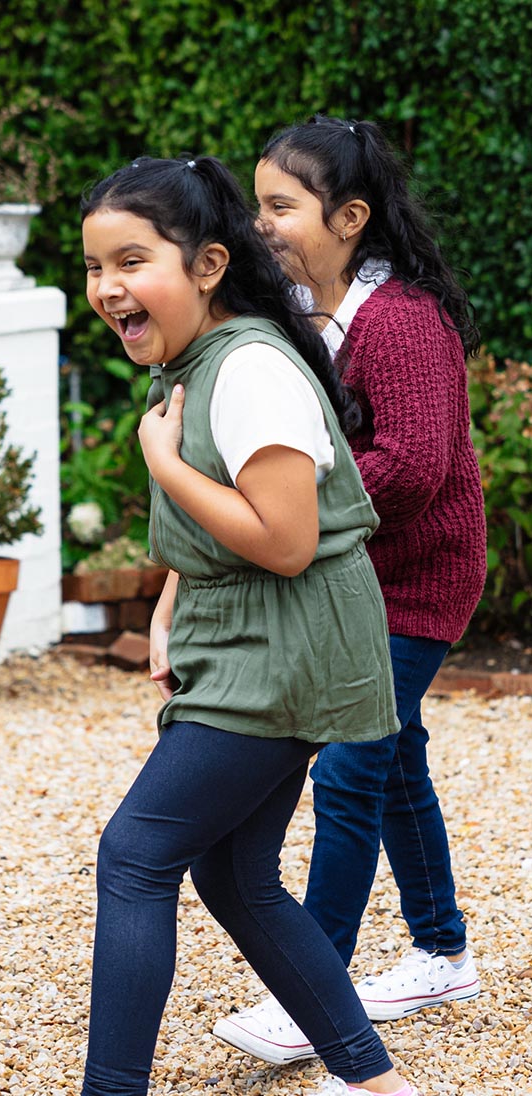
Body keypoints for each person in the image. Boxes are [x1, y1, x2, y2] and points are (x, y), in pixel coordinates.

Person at [80, 153, 422, 1096]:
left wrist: (165, 465)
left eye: (132, 261)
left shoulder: (250, 369)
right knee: (235, 875)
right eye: (95, 267)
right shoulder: (201, 361)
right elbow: (226, 529)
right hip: (264, 642)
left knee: (135, 854)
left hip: (283, 651)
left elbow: (283, 538)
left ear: (208, 265)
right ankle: (375, 1083)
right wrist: (169, 602)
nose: (108, 289)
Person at [212, 115, 487, 1066]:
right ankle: (441, 949)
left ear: (350, 217)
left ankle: (311, 991)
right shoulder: (294, 308)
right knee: (396, 753)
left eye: (281, 205)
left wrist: (283, 513)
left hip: (416, 578)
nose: (262, 222)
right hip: (355, 574)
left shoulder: (400, 320)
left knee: (352, 767)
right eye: (258, 203)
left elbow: (413, 463)